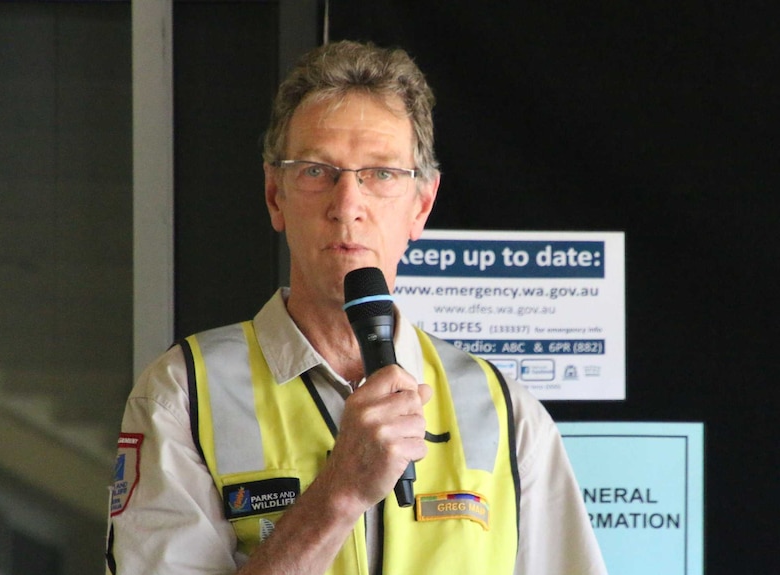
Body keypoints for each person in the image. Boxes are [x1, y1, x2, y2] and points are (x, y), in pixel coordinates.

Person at [105, 40, 607, 575]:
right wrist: (338, 494)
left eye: (382, 174)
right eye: (317, 171)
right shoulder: (183, 394)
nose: (348, 206)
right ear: (275, 195)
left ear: (423, 205)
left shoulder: (504, 411)